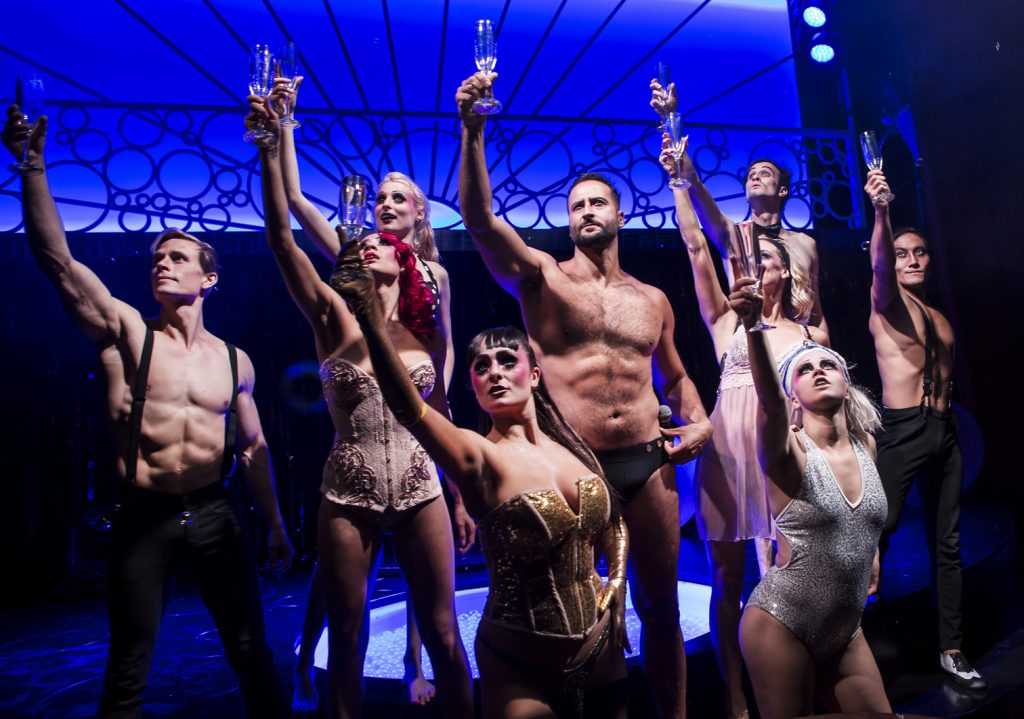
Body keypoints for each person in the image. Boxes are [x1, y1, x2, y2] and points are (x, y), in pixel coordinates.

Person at [3, 106, 293, 718]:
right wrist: (32, 166)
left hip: (215, 513)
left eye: (178, 257)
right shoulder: (127, 333)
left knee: (250, 650)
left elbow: (253, 449)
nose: (162, 262)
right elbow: (57, 261)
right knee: (130, 664)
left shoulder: (235, 360)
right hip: (145, 515)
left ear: (209, 279)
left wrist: (274, 523)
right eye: (157, 258)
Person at [457, 72, 713, 719]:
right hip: (578, 466)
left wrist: (700, 421)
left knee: (659, 605)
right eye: (577, 207)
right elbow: (480, 221)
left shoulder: (651, 299)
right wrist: (473, 129)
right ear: (567, 221)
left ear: (620, 215)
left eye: (598, 203)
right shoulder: (544, 280)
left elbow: (676, 376)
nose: (587, 212)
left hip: (648, 462)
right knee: (581, 608)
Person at [331, 236, 630, 719]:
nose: (494, 372)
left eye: (507, 360)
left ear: (534, 375)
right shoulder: (476, 454)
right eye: (481, 366)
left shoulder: (572, 445)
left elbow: (612, 520)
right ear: (471, 385)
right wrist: (368, 318)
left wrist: (616, 580)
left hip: (603, 655)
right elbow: (408, 409)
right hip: (520, 663)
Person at [246, 97, 473, 719]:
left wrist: (458, 494)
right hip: (349, 489)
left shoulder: (430, 303)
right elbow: (284, 231)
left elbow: (444, 402)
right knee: (345, 634)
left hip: (422, 483)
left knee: (444, 632)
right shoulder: (333, 313)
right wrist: (276, 137)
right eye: (377, 204)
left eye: (398, 200)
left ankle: (436, 687)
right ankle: (310, 675)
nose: (379, 221)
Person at [660, 131, 828, 719]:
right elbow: (696, 245)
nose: (750, 269)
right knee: (726, 579)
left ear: (786, 273)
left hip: (784, 452)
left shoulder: (807, 333)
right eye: (744, 263)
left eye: (763, 263)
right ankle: (734, 696)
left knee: (795, 575)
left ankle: (796, 687)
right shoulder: (726, 322)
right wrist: (680, 180)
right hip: (730, 454)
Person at [732, 276, 890, 719]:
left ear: (846, 382)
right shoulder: (789, 452)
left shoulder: (866, 445)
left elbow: (863, 519)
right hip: (780, 623)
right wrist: (753, 327)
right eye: (804, 370)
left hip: (846, 629)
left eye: (827, 365)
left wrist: (873, 553)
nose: (818, 371)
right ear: (793, 398)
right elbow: (768, 404)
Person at [864, 170, 986, 690]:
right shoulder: (887, 304)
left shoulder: (938, 315)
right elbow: (879, 265)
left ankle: (952, 650)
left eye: (920, 252)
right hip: (905, 428)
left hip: (945, 430)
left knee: (948, 543)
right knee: (877, 534)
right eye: (902, 253)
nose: (912, 260)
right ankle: (855, 646)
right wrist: (882, 212)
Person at [650, 80, 827, 333]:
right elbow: (694, 184)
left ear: (782, 190)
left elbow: (816, 311)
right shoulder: (733, 234)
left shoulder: (806, 243)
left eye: (765, 174)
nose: (755, 178)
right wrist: (670, 119)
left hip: (798, 341)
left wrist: (824, 347)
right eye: (751, 175)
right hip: (752, 337)